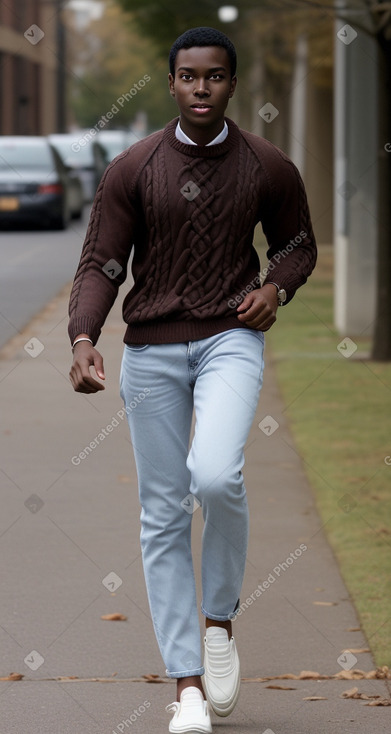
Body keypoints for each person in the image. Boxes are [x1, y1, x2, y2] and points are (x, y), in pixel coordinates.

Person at [68, 26, 317, 734]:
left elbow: (298, 245)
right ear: (171, 83)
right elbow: (100, 264)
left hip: (228, 340)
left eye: (213, 77)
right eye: (187, 76)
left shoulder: (266, 165)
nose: (200, 88)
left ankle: (219, 621)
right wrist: (84, 337)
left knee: (213, 475)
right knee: (163, 512)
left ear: (231, 84)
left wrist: (275, 289)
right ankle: (185, 686)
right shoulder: (133, 168)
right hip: (149, 351)